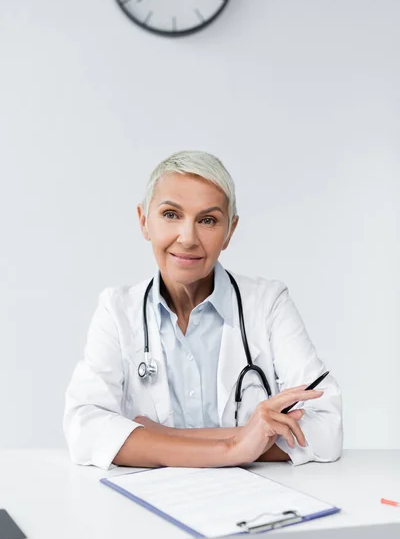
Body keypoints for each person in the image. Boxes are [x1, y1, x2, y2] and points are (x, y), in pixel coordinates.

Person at [63, 151, 343, 471]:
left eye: (208, 220)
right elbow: (85, 429)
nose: (187, 238)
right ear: (144, 221)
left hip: (251, 503)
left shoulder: (268, 304)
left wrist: (161, 438)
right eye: (171, 215)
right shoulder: (116, 310)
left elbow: (326, 427)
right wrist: (236, 446)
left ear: (230, 231)